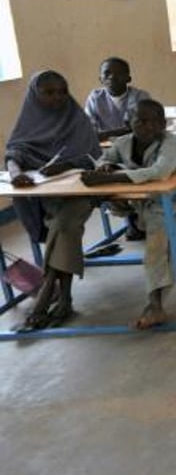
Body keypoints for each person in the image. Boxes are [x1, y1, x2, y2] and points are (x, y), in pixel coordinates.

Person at [82, 100, 176, 330]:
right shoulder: (123, 142)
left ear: (164, 124)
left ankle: (155, 305)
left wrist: (112, 177)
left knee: (164, 250)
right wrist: (106, 166)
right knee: (157, 246)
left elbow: (160, 172)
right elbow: (104, 159)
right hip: (149, 202)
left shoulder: (169, 142)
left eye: (156, 122)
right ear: (129, 123)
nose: (148, 126)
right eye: (141, 121)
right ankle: (156, 303)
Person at [5, 71, 100, 332]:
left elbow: (95, 158)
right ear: (35, 95)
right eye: (49, 92)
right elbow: (14, 153)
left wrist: (67, 164)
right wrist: (17, 174)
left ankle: (47, 292)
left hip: (82, 192)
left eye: (62, 91)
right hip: (46, 198)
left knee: (66, 222)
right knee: (63, 226)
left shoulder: (76, 118)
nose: (57, 98)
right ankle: (64, 297)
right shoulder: (29, 121)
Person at [83, 57, 151, 140]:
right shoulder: (95, 98)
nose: (112, 77)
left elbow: (144, 129)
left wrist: (104, 135)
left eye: (119, 73)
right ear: (101, 79)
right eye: (107, 73)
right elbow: (88, 133)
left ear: (128, 79)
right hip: (105, 147)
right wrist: (124, 130)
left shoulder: (140, 96)